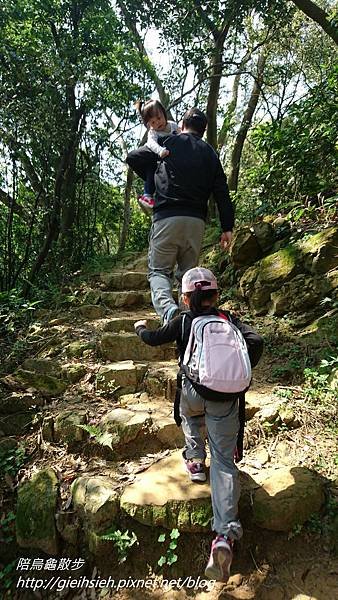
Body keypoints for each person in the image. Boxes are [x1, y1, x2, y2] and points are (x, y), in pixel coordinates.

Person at [134, 267, 264, 583]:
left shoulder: (183, 320)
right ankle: (223, 537)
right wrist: (236, 371)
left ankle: (194, 462)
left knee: (189, 416)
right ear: (216, 295)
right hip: (225, 400)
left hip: (192, 391)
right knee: (223, 461)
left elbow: (154, 339)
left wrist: (140, 328)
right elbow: (257, 340)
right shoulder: (229, 319)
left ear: (186, 297)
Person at [127, 107, 235, 324]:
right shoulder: (210, 153)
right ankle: (188, 322)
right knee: (188, 276)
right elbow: (221, 192)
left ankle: (169, 312)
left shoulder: (168, 144)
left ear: (182, 125)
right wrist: (227, 228)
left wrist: (155, 175)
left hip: (167, 217)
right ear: (203, 131)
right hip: (195, 223)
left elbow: (133, 157)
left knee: (159, 271)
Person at [128, 99, 179, 214]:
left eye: (159, 118)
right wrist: (160, 151)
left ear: (164, 114)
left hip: (166, 161)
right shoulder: (153, 132)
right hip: (153, 156)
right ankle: (147, 195)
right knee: (150, 170)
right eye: (153, 122)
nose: (157, 123)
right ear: (149, 125)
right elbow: (151, 144)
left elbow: (181, 136)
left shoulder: (173, 126)